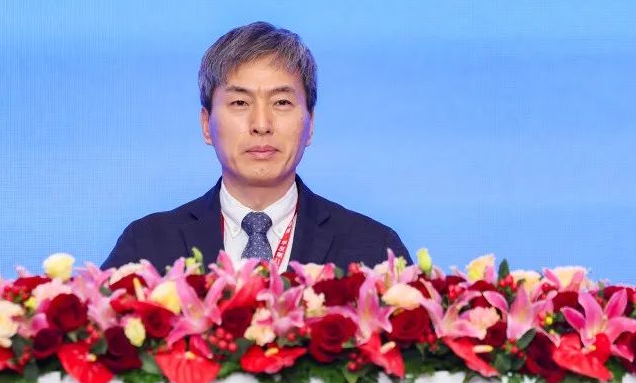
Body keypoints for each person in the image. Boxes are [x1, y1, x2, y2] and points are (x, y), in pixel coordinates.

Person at [102, 21, 409, 272]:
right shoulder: (146, 248)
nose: (261, 124)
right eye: (240, 102)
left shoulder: (374, 252)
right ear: (207, 124)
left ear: (311, 124)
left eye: (282, 102)